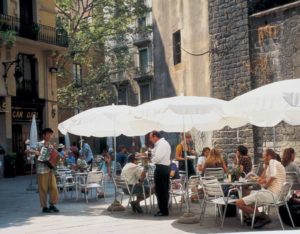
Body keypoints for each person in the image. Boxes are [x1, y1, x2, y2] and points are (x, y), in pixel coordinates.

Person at [236, 149, 286, 228]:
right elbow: (263, 178)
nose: (263, 159)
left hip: (270, 194)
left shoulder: (272, 161)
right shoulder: (278, 164)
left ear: (269, 156)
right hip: (276, 195)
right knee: (249, 195)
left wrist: (265, 186)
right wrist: (266, 168)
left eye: (264, 157)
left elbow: (273, 176)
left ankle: (262, 216)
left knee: (238, 203)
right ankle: (257, 218)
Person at [35, 128, 59, 213]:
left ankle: (52, 204)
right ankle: (44, 207)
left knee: (54, 187)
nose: (50, 136)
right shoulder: (39, 144)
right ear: (43, 135)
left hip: (50, 169)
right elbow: (33, 152)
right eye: (48, 134)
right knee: (43, 189)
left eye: (51, 134)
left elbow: (55, 155)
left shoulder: (51, 145)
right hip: (41, 170)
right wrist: (36, 153)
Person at [149, 131, 171, 217]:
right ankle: (162, 209)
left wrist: (151, 160)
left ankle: (163, 210)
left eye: (151, 138)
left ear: (155, 136)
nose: (150, 140)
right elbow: (153, 152)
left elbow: (157, 158)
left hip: (162, 168)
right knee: (160, 189)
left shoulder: (162, 144)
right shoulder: (160, 144)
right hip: (162, 168)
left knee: (161, 190)